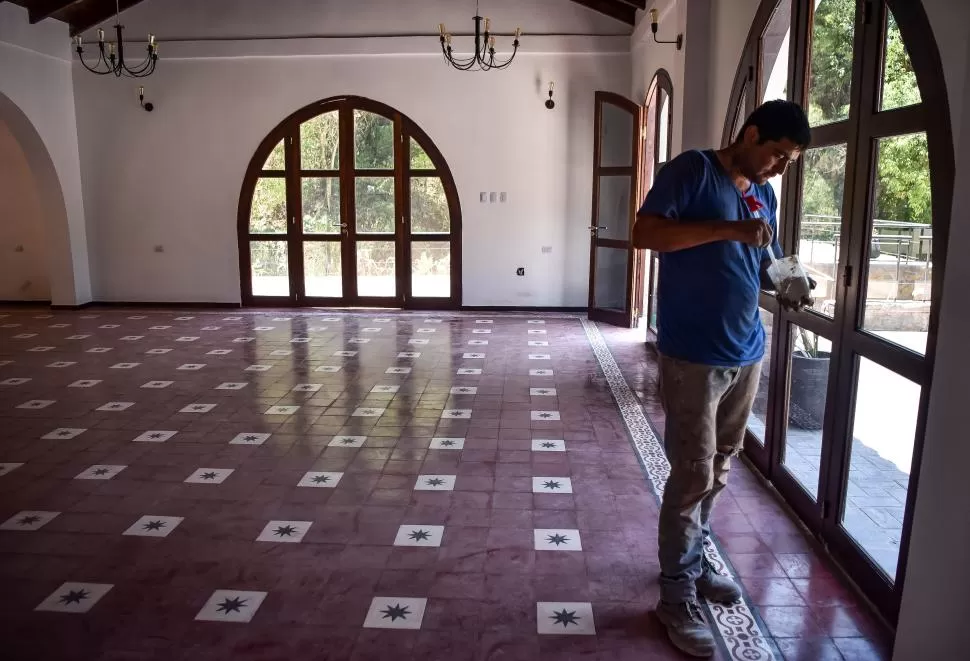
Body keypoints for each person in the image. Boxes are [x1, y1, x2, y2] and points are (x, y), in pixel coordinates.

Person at [632, 99, 813, 657]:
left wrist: (791, 279)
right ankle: (675, 595)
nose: (781, 166)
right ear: (751, 134)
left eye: (789, 160)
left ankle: (694, 556)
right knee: (690, 472)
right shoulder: (691, 170)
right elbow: (645, 234)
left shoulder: (767, 193)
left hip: (747, 350)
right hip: (693, 355)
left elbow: (766, 255)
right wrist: (726, 228)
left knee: (721, 465)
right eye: (777, 154)